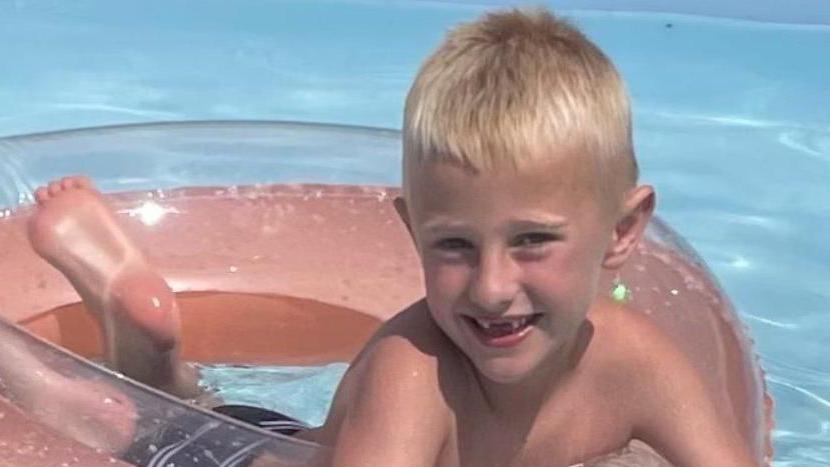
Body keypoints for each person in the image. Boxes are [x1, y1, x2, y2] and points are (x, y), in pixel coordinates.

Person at [16, 8, 757, 467]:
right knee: (124, 423)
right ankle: (123, 339)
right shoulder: (416, 374)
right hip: (232, 457)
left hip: (299, 439)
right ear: (411, 232)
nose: (493, 286)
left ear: (623, 231)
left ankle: (152, 351)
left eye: (532, 241)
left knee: (203, 401)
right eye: (454, 245)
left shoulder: (641, 363)